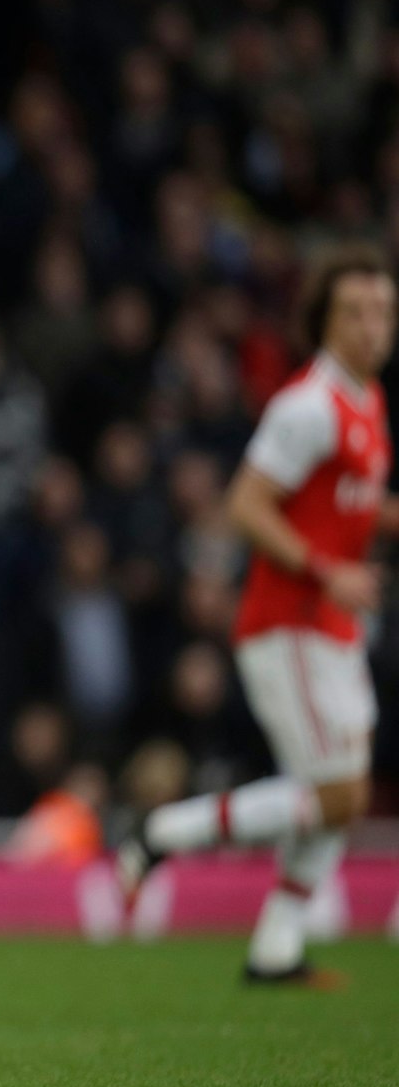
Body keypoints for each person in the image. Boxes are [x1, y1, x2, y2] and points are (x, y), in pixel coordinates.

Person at [116, 245, 393, 986]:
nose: (373, 326)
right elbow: (245, 504)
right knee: (338, 793)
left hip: (330, 623)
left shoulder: (367, 399)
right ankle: (164, 830)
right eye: (356, 312)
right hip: (288, 618)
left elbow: (349, 506)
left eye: (383, 311)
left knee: (339, 795)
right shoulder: (308, 407)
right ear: (324, 321)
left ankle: (276, 950)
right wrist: (327, 569)